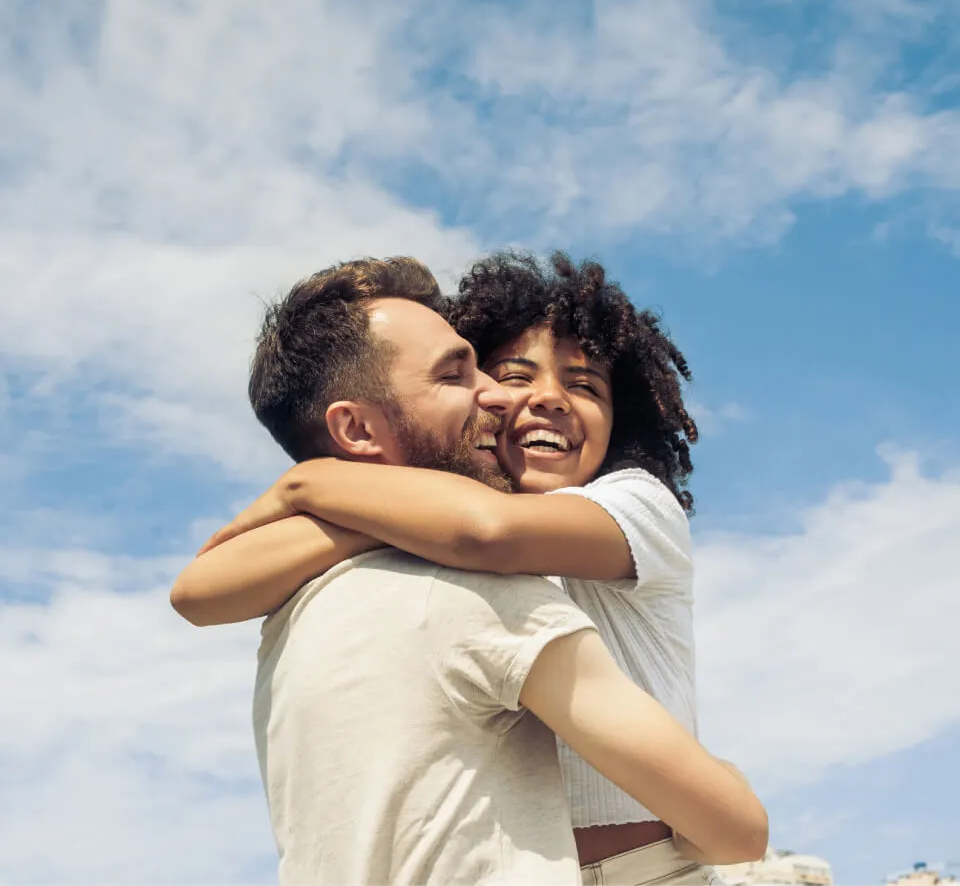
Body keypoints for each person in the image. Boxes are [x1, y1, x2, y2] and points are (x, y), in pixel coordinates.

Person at [172, 256, 766, 886]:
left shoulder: (634, 506)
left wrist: (310, 481)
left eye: (587, 386)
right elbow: (198, 591)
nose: (548, 399)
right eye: (509, 376)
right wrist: (366, 500)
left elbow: (489, 533)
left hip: (646, 868)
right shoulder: (430, 537)